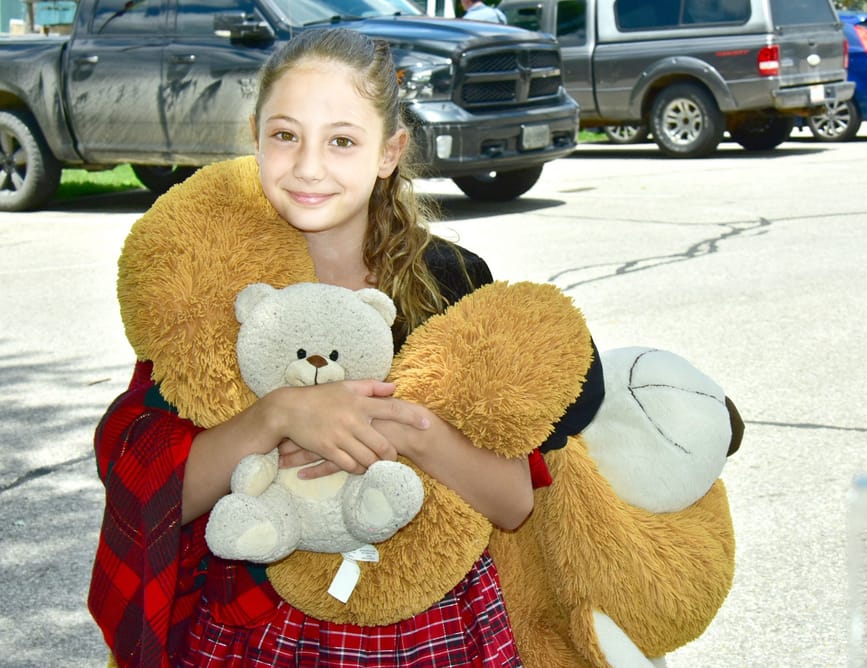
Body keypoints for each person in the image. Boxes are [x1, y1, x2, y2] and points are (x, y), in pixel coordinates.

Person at [87, 28, 603, 668]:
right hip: (255, 629)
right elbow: (155, 485)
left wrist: (406, 428)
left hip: (431, 631)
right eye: (285, 135)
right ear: (256, 136)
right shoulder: (213, 280)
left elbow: (514, 501)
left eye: (341, 141)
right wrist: (276, 416)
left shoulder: (453, 282)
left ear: (389, 152)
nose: (308, 166)